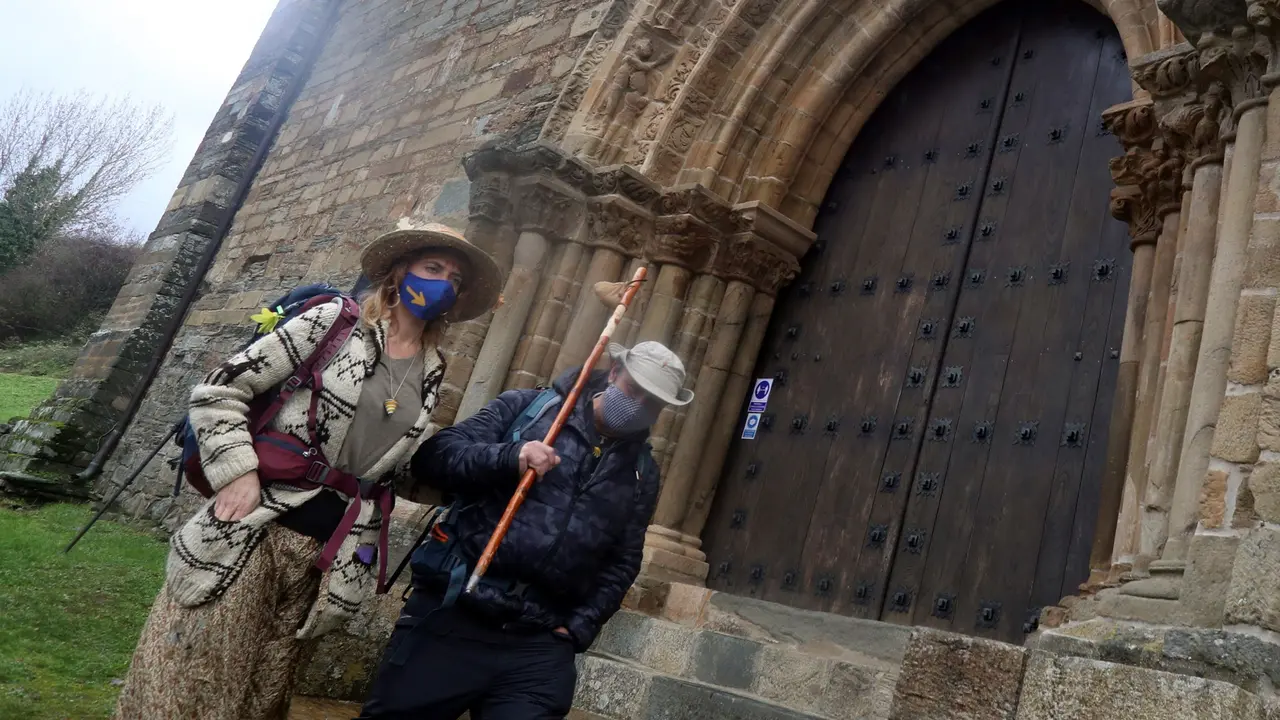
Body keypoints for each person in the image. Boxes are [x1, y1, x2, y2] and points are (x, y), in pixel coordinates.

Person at [114, 222, 502, 720]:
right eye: (433, 268)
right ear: (401, 270)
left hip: (327, 556)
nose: (441, 283)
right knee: (196, 682)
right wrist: (237, 473)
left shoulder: (432, 367)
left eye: (453, 278)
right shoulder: (334, 322)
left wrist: (489, 467)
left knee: (262, 697)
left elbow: (393, 469)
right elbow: (220, 391)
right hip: (256, 529)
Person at [357, 340, 694, 720]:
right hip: (455, 613)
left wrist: (578, 628)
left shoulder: (642, 473)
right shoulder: (528, 409)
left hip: (538, 642)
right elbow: (435, 458)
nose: (639, 407)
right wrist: (508, 457)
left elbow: (624, 559)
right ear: (614, 373)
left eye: (653, 403)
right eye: (635, 390)